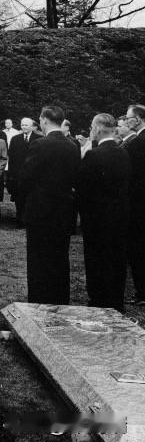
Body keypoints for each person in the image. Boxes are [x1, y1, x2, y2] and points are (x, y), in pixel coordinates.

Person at [20, 105, 81, 305]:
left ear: (44, 120)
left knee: (38, 259)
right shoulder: (72, 145)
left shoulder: (40, 144)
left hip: (40, 210)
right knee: (60, 258)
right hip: (63, 211)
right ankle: (59, 299)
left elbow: (26, 177)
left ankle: (39, 300)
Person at [78, 113, 130, 312]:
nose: (90, 130)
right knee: (116, 260)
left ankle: (99, 301)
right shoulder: (123, 152)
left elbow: (83, 187)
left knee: (97, 260)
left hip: (97, 219)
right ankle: (116, 301)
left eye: (92, 127)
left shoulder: (94, 155)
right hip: (119, 217)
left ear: (98, 129)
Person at [123, 104, 145, 306]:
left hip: (138, 205)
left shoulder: (138, 142)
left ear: (137, 119)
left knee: (137, 248)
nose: (126, 120)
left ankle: (142, 292)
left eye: (128, 117)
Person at [7, 118, 41, 226]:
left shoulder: (39, 139)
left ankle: (30, 221)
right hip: (18, 176)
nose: (24, 127)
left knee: (31, 199)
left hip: (33, 176)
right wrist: (11, 175)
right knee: (19, 199)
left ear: (32, 126)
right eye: (22, 125)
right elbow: (11, 159)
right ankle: (19, 220)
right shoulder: (15, 139)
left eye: (26, 125)